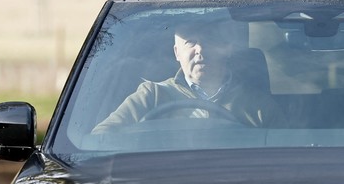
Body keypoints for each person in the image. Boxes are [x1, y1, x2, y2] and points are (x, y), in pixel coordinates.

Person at [92, 20, 281, 133]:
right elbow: (100, 138)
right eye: (191, 42)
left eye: (210, 40)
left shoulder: (259, 105)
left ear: (227, 49)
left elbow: (285, 157)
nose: (200, 49)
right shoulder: (151, 95)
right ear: (177, 53)